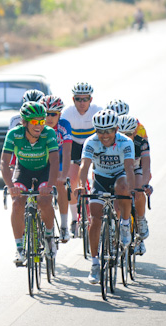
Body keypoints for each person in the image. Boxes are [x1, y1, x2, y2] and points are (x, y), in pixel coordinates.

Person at [78, 109, 135, 285]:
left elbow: (129, 168)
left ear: (116, 129)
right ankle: (95, 263)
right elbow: (84, 165)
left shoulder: (125, 142)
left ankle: (125, 224)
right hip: (100, 179)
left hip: (119, 176)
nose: (104, 135)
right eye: (100, 131)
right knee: (95, 217)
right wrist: (81, 185)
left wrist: (132, 189)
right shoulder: (90, 142)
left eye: (109, 131)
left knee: (124, 187)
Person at [0, 102, 61, 266]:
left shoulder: (48, 133)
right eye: (34, 122)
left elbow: (55, 161)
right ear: (24, 122)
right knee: (18, 203)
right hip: (23, 170)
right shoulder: (14, 134)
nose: (39, 126)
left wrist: (50, 185)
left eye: (42, 121)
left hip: (44, 170)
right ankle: (19, 247)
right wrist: (10, 187)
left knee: (44, 200)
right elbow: (4, 163)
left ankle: (49, 237)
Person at [60, 82, 102, 237]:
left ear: (91, 99)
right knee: (71, 181)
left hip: (92, 144)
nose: (82, 103)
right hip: (75, 145)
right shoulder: (67, 113)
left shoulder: (98, 111)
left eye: (86, 99)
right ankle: (74, 219)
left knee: (98, 175)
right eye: (78, 99)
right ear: (73, 99)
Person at [118, 115, 152, 255]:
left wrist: (143, 185)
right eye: (122, 134)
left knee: (138, 193)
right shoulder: (111, 143)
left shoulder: (141, 143)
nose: (126, 137)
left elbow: (146, 167)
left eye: (129, 134)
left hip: (136, 168)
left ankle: (140, 219)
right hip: (119, 170)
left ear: (135, 133)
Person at [42, 94, 74, 242]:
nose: (49, 118)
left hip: (60, 160)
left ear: (59, 114)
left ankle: (64, 226)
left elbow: (67, 152)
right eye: (46, 113)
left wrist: (64, 175)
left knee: (61, 185)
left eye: (53, 114)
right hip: (42, 161)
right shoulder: (37, 126)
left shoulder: (64, 125)